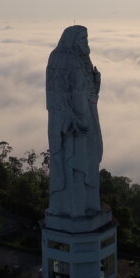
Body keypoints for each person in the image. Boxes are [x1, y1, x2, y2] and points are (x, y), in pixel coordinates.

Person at [46, 25, 103, 218]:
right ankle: (74, 209)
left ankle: (87, 205)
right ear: (71, 39)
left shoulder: (82, 60)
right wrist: (72, 120)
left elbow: (87, 96)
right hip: (72, 126)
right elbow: (58, 95)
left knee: (87, 163)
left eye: (86, 39)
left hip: (86, 120)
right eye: (82, 39)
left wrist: (96, 83)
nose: (85, 44)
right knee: (76, 166)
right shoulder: (63, 59)